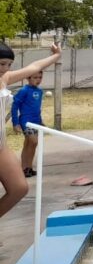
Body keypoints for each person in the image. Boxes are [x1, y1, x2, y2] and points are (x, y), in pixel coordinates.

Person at [0, 42, 61, 220]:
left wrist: (56, 56)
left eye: (9, 65)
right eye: (2, 64)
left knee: (19, 188)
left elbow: (34, 67)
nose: (5, 68)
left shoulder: (4, 79)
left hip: (1, 145)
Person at [11, 70, 44, 178]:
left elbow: (37, 108)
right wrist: (15, 123)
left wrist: (41, 121)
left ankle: (27, 168)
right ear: (28, 78)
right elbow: (15, 106)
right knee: (34, 142)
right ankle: (25, 168)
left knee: (29, 145)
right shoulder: (24, 90)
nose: (38, 80)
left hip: (36, 121)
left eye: (40, 77)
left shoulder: (40, 91)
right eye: (35, 78)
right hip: (26, 122)